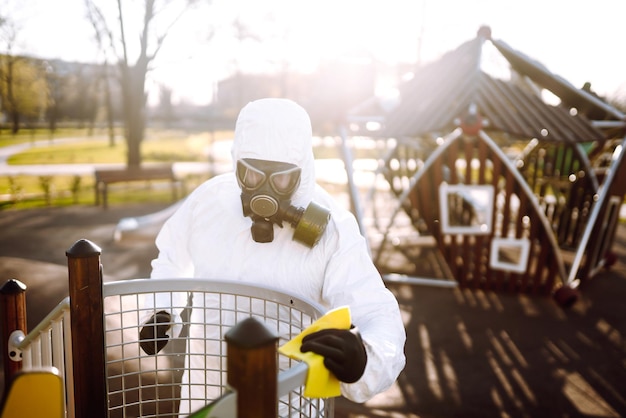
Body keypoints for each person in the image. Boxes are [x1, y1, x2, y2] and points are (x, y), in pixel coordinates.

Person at [140, 98, 406, 415]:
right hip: (206, 396)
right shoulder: (209, 202)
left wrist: (365, 360)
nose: (263, 190)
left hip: (289, 404)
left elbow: (377, 312)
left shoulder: (332, 230)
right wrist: (161, 310)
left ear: (302, 173)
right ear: (236, 162)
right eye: (251, 175)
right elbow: (172, 257)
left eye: (281, 178)